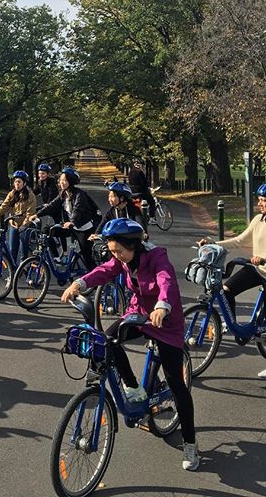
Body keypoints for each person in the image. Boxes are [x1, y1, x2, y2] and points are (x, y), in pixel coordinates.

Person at [61, 218, 199, 471]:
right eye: (113, 251)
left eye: (120, 251)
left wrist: (162, 306)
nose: (117, 256)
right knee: (108, 341)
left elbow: (166, 281)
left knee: (177, 384)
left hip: (164, 321)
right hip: (138, 314)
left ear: (135, 245)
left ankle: (190, 443)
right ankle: (134, 387)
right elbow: (104, 270)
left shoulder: (157, 256)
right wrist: (78, 284)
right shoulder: (122, 260)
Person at [199, 182, 266, 379]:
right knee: (226, 289)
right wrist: (213, 243)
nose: (260, 204)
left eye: (264, 201)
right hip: (258, 270)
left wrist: (262, 258)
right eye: (260, 200)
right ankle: (235, 327)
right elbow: (239, 240)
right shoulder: (258, 220)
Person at [29, 166, 97, 271]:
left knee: (87, 257)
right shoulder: (63, 194)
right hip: (71, 227)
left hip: (83, 229)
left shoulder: (79, 194)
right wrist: (37, 214)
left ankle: (96, 279)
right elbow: (52, 205)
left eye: (64, 180)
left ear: (71, 181)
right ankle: (56, 258)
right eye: (60, 180)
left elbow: (77, 210)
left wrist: (72, 222)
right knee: (46, 231)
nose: (61, 183)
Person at [0, 170, 36, 263]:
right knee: (12, 249)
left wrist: (24, 225)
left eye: (19, 182)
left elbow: (30, 213)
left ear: (24, 183)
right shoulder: (12, 194)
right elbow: (4, 206)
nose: (17, 184)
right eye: (15, 181)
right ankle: (12, 272)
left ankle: (24, 269)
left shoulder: (30, 195)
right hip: (13, 224)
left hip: (25, 226)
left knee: (23, 251)